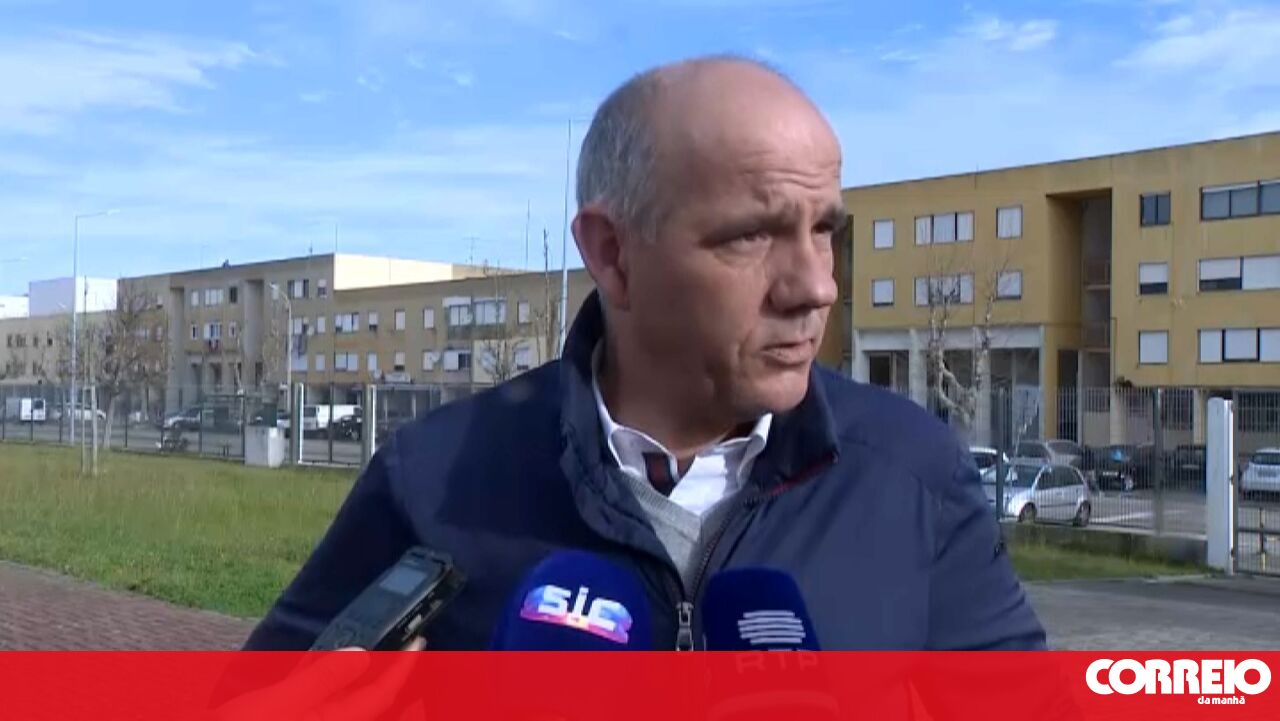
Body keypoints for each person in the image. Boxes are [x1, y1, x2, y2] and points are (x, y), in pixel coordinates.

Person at [242, 55, 1047, 652]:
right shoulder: (432, 475)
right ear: (613, 253)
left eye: (824, 231)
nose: (816, 286)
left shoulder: (915, 474)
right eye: (752, 235)